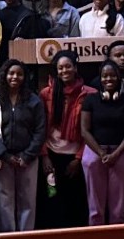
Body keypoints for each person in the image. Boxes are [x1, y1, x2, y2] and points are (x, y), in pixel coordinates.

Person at [39, 49, 96, 228]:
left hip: (76, 158)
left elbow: (90, 131)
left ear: (75, 68)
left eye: (68, 66)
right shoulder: (46, 94)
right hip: (51, 157)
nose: (64, 71)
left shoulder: (90, 94)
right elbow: (40, 128)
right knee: (52, 196)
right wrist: (45, 156)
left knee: (76, 201)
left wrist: (78, 158)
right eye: (60, 68)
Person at [79, 60, 124, 225]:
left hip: (120, 153)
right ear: (100, 78)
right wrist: (101, 153)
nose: (109, 79)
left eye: (112, 75)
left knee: (118, 208)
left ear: (119, 77)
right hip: (94, 153)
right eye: (105, 76)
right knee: (95, 207)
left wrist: (116, 154)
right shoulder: (90, 100)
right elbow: (84, 131)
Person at [0, 59, 45, 232]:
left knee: (28, 201)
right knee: (4, 202)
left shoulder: (34, 101)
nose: (15, 77)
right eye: (11, 73)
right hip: (3, 158)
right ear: (4, 75)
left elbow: (40, 131)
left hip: (28, 159)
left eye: (19, 74)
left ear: (25, 77)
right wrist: (5, 155)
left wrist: (27, 156)